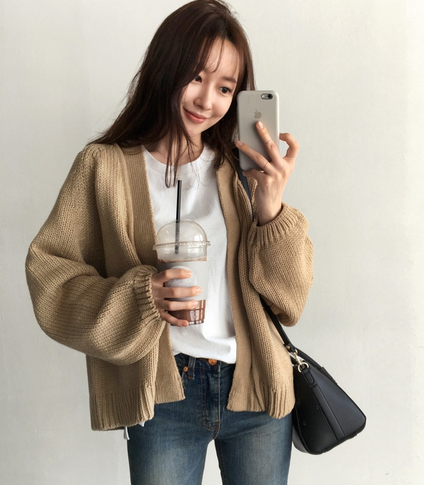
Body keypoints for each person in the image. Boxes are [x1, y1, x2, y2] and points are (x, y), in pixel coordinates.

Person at [25, 1, 313, 484]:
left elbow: (290, 301)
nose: (207, 100)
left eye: (225, 88)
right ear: (165, 67)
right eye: (196, 77)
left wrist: (271, 209)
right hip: (164, 397)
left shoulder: (241, 170)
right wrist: (143, 297)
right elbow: (49, 275)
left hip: (256, 390)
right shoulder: (103, 167)